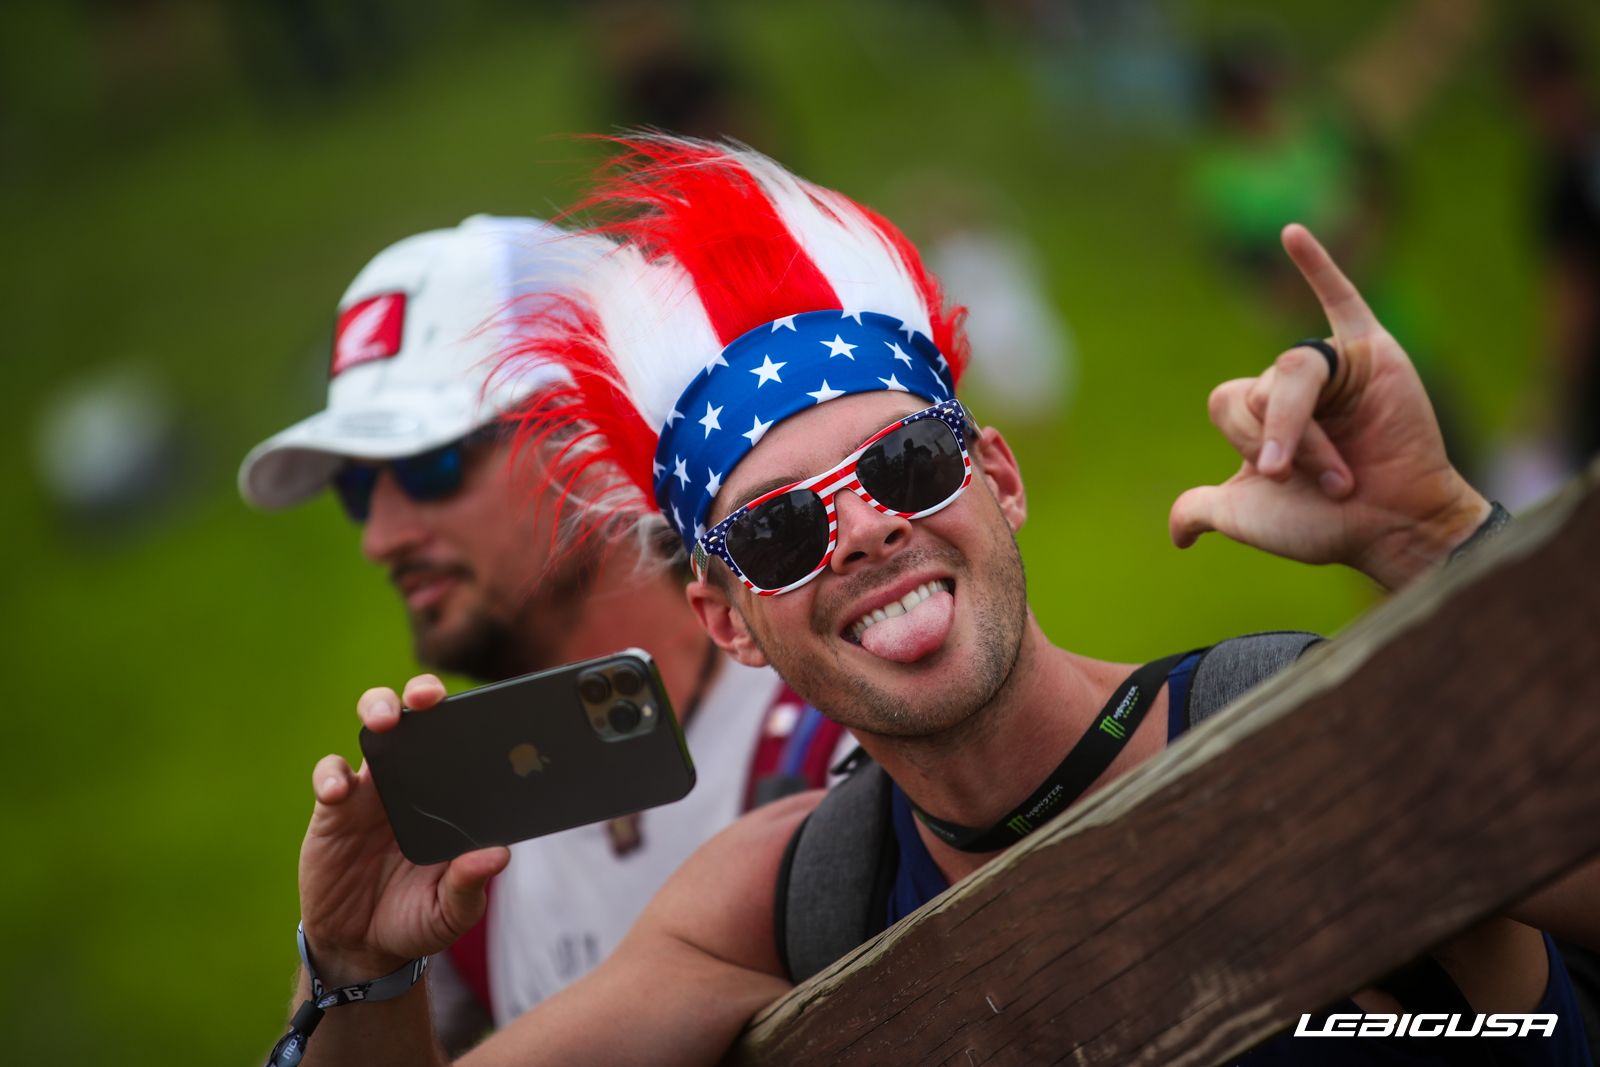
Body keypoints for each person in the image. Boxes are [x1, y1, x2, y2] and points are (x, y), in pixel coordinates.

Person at [273, 142, 1596, 1066]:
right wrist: (353, 962)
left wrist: (1437, 538)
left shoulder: (1293, 726)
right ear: (727, 616)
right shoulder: (783, 896)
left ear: (998, 476)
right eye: (781, 529)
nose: (863, 525)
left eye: (907, 463)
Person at [239, 214, 845, 1052]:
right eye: (356, 488)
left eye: (428, 467)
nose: (379, 536)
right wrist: (349, 964)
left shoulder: (842, 717)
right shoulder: (459, 854)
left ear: (596, 436)